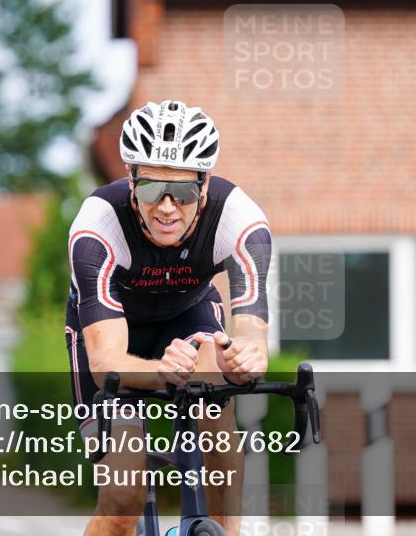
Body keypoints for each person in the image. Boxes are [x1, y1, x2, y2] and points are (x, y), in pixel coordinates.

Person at [65, 99, 272, 536]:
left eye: (182, 193)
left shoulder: (240, 220)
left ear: (205, 185)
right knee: (123, 500)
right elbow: (106, 364)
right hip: (113, 338)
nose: (165, 207)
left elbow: (252, 336)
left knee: (216, 387)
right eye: (149, 189)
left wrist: (246, 360)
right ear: (129, 180)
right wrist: (162, 372)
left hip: (186, 315)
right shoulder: (97, 226)